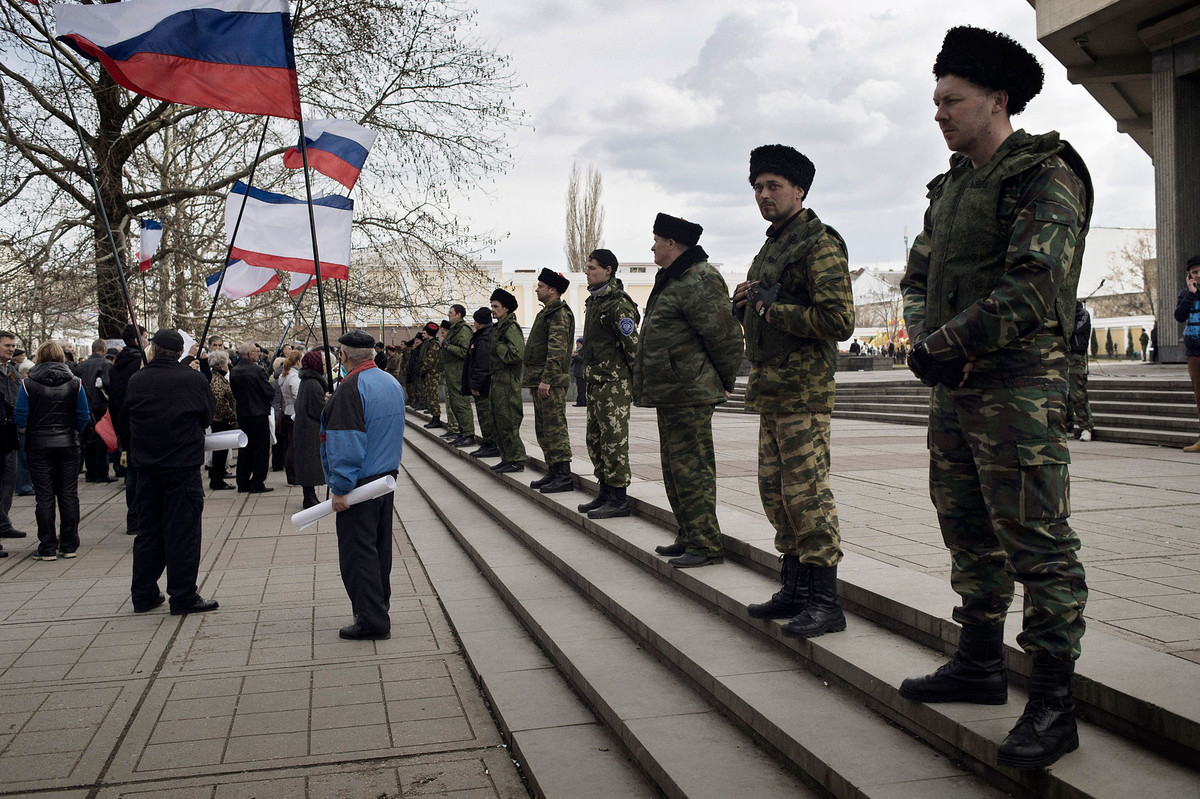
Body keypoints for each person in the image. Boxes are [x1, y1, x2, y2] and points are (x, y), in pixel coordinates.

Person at [897, 26, 1092, 770]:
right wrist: (927, 338)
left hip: (1017, 394)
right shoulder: (949, 190)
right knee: (968, 531)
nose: (939, 113)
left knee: (1038, 543)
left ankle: (1053, 700)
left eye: (953, 100)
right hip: (957, 393)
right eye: (936, 100)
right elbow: (917, 279)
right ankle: (979, 661)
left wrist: (942, 346)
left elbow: (1034, 285)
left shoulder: (1045, 174)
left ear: (997, 100)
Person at [733, 144, 855, 638]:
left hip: (804, 392)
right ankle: (796, 587)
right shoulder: (772, 245)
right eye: (757, 187)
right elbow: (765, 306)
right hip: (771, 389)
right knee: (775, 492)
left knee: (807, 495)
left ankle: (826, 601)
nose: (764, 195)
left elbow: (839, 321)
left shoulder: (818, 242)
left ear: (799, 190)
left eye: (774, 186)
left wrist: (769, 308)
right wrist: (745, 303)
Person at [631, 213, 744, 568]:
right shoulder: (674, 278)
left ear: (671, 244)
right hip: (673, 391)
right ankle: (689, 533)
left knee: (692, 469)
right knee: (675, 468)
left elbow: (725, 336)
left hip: (690, 390)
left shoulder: (700, 278)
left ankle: (706, 543)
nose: (652, 246)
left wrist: (724, 382)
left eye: (656, 240)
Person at [125, 329, 217, 615]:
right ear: (179, 352)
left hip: (147, 467)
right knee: (183, 531)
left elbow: (127, 412)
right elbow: (207, 416)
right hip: (181, 466)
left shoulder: (138, 379)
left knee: (149, 530)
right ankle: (182, 594)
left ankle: (143, 592)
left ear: (153, 348)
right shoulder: (193, 380)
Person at [321, 330, 406, 640]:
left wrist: (341, 487)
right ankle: (378, 605)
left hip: (360, 483)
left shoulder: (351, 388)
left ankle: (371, 619)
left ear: (343, 357)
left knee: (358, 552)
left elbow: (347, 441)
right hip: (385, 478)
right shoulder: (390, 382)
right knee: (379, 549)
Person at [576, 249, 639, 519]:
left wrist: (636, 383)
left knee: (614, 440)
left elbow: (633, 347)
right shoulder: (595, 302)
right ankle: (604, 491)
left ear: (608, 270)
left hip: (614, 383)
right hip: (596, 380)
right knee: (596, 440)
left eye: (592, 268)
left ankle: (618, 497)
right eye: (587, 267)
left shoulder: (618, 304)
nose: (587, 272)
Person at [15, 341, 90, 560]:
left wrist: (32, 430)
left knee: (44, 496)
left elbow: (20, 416)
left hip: (38, 444)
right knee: (68, 494)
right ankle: (69, 544)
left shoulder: (29, 383)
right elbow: (83, 415)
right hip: (68, 443)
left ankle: (47, 546)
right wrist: (72, 431)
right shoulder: (75, 383)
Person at [524, 268, 575, 493]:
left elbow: (557, 350)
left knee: (555, 428)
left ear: (553, 290)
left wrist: (546, 380)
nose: (537, 289)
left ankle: (563, 475)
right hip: (541, 381)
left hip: (550, 382)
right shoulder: (545, 312)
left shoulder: (559, 313)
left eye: (541, 286)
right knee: (543, 429)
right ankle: (553, 471)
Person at [109, 324, 146, 535]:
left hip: (124, 424)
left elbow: (113, 401)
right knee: (140, 473)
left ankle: (133, 518)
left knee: (132, 471)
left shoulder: (116, 366)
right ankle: (139, 517)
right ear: (136, 339)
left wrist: (117, 427)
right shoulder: (140, 363)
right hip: (139, 424)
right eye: (144, 337)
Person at [489, 288, 526, 472]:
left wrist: (499, 347)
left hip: (507, 381)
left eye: (496, 306)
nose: (493, 310)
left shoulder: (511, 327)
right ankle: (507, 457)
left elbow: (517, 354)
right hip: (497, 380)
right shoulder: (499, 327)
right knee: (498, 422)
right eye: (492, 306)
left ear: (506, 309)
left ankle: (516, 459)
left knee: (508, 420)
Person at [230, 341, 275, 493]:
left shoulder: (235, 371)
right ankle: (257, 482)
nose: (259, 354)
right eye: (256, 352)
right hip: (258, 413)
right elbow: (268, 392)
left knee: (245, 448)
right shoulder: (257, 370)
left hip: (243, 412)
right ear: (250, 354)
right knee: (261, 449)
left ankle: (242, 481)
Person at [0, 330, 28, 554]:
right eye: (7, 345)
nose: (11, 349)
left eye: (12, 345)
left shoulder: (10, 370)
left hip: (9, 433)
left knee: (9, 480)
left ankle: (3, 522)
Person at [75, 338, 115, 483]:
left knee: (89, 441)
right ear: (104, 349)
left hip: (86, 405)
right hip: (101, 406)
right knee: (101, 440)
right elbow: (109, 385)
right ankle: (101, 472)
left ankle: (91, 471)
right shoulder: (105, 365)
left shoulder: (82, 365)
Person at [293, 349, 328, 508]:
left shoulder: (308, 381)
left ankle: (310, 495)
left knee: (308, 464)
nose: (325, 365)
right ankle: (309, 497)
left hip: (306, 428)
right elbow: (318, 409)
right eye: (322, 362)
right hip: (310, 430)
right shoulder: (313, 383)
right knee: (310, 464)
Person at [465, 308, 499, 458]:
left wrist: (477, 384)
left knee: (486, 415)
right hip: (483, 383)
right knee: (483, 414)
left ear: (478, 321)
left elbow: (482, 363)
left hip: (484, 385)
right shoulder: (483, 335)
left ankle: (491, 444)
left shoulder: (485, 337)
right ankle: (487, 443)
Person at [1175, 255, 1200, 453]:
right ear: (1189, 275)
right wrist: (1192, 294)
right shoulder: (1186, 294)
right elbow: (1179, 316)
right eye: (1195, 272)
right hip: (1194, 351)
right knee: (1199, 395)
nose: (1199, 275)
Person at [441, 305, 476, 447]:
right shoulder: (455, 329)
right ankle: (462, 432)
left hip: (459, 373)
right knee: (455, 405)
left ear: (458, 315)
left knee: (461, 404)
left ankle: (468, 434)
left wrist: (447, 346)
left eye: (451, 313)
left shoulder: (463, 330)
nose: (448, 315)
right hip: (452, 373)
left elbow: (464, 351)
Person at [206, 350, 237, 490]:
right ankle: (217, 480)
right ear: (221, 365)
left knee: (221, 452)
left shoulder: (219, 378)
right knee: (220, 452)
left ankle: (218, 478)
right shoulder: (217, 381)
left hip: (221, 419)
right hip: (221, 420)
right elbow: (219, 402)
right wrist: (231, 415)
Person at [1065, 302, 1095, 442]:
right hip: (1065, 357)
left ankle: (1086, 427)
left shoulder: (1082, 314)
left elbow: (1071, 330)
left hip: (1076, 358)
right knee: (1065, 396)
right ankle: (1067, 427)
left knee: (1078, 394)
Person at [279, 350, 302, 485]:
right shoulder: (293, 377)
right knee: (294, 446)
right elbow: (297, 396)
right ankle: (293, 475)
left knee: (291, 444)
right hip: (294, 412)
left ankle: (292, 474)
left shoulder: (285, 375)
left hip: (288, 410)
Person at [417, 322, 444, 429]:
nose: (423, 335)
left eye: (424, 333)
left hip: (432, 373)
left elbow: (429, 361)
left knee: (433, 396)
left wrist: (422, 370)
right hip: (428, 373)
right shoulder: (428, 343)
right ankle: (434, 416)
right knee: (430, 395)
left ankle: (436, 418)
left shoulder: (434, 344)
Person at [571, 338, 586, 407]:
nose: (577, 345)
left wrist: (576, 356)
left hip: (581, 372)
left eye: (578, 343)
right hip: (577, 372)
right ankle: (580, 401)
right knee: (579, 388)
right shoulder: (578, 350)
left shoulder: (584, 350)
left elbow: (583, 359)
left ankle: (582, 401)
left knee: (582, 388)